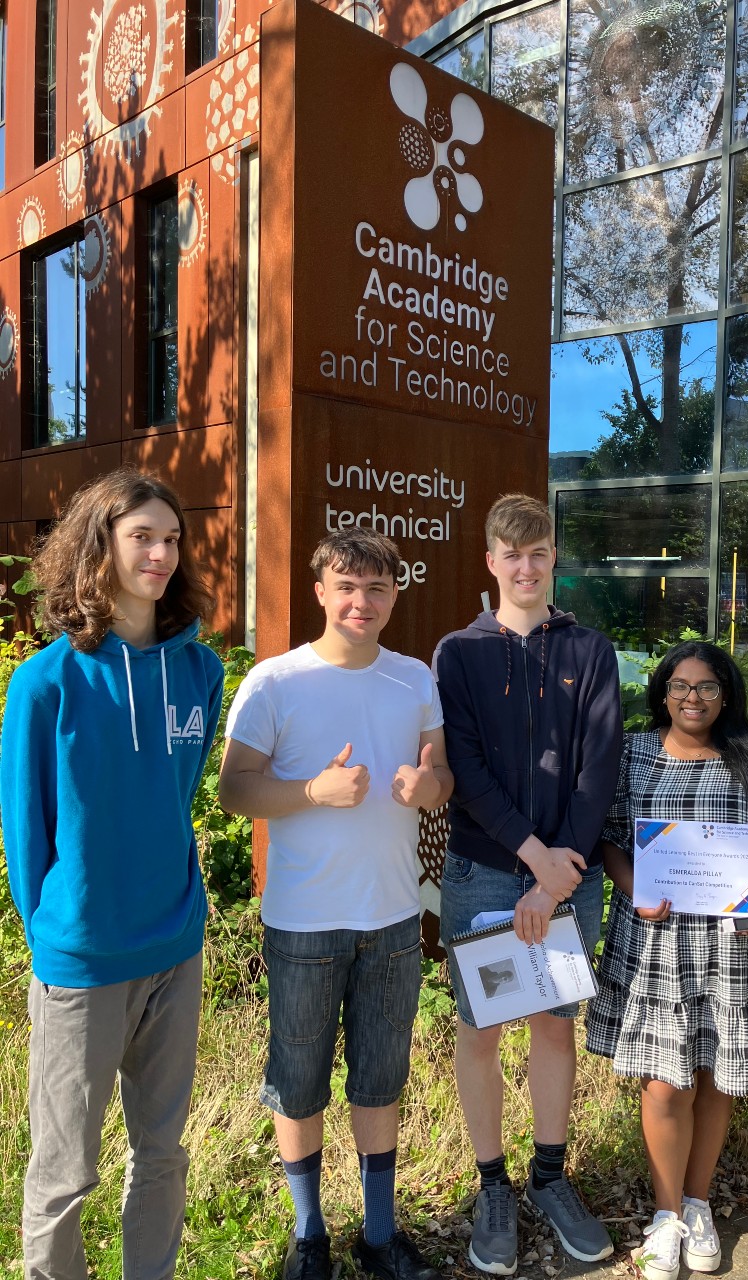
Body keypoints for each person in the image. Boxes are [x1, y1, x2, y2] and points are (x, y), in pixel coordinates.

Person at [0, 468, 225, 1280]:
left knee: (162, 1153)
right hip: (84, 959)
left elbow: (175, 794)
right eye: (142, 538)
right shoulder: (45, 682)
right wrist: (61, 932)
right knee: (65, 1171)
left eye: (172, 539)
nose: (161, 554)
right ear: (100, 545)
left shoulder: (200, 672)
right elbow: (26, 834)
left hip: (175, 947)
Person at [218, 529, 453, 1280]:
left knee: (381, 1079)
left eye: (377, 588)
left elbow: (442, 774)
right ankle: (309, 1234)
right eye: (347, 586)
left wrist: (429, 786)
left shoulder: (413, 678)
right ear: (320, 591)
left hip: (393, 916)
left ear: (395, 595)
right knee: (298, 1082)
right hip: (303, 922)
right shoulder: (274, 682)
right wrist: (312, 791)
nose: (362, 601)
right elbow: (232, 790)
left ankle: (379, 1236)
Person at [433, 493, 622, 1276]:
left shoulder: (590, 650)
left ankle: (549, 1173)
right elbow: (465, 768)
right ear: (490, 561)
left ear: (553, 559)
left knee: (552, 1023)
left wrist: (556, 871)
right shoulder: (458, 653)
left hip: (568, 877)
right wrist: (531, 856)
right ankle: (492, 1185)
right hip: (483, 871)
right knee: (480, 1031)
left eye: (538, 553)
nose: (525, 567)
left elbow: (599, 766)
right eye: (511, 554)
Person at [585, 640, 748, 1280]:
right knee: (666, 1081)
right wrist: (635, 890)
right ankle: (666, 1216)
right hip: (658, 942)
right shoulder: (631, 755)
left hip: (735, 944)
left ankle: (699, 1202)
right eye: (680, 686)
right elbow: (610, 837)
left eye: (707, 686)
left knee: (716, 1079)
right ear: (663, 693)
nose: (693, 697)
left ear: (726, 694)